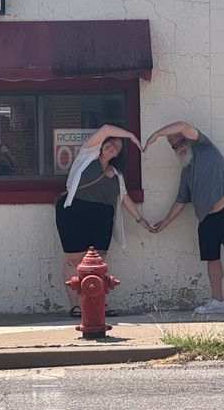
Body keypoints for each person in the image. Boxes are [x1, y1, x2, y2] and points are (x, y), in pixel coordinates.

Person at [144, 121, 224, 317]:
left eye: (179, 140)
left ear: (186, 138)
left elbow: (181, 124)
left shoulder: (205, 146)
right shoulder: (186, 171)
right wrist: (164, 222)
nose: (178, 146)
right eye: (173, 145)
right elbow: (181, 200)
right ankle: (217, 301)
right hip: (206, 219)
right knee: (211, 260)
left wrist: (156, 134)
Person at [55, 124, 153, 317]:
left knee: (97, 263)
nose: (112, 147)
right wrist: (131, 136)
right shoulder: (87, 156)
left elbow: (124, 198)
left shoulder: (117, 175)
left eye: (117, 147)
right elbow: (106, 129)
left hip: (102, 218)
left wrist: (141, 220)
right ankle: (76, 306)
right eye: (110, 143)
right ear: (102, 144)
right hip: (76, 212)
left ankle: (97, 304)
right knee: (74, 261)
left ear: (118, 155)